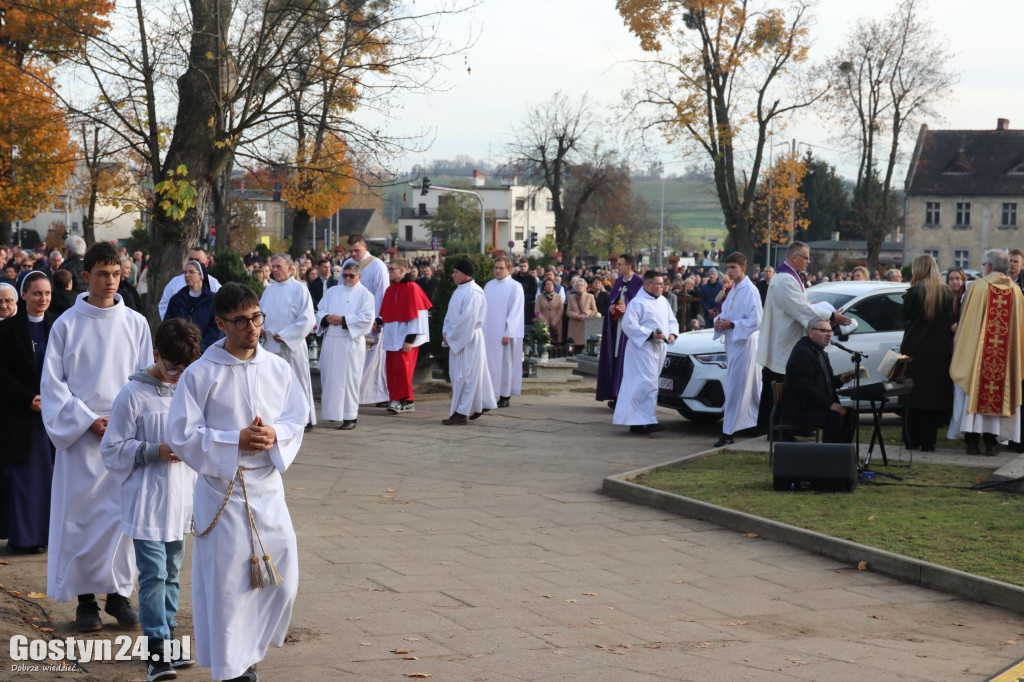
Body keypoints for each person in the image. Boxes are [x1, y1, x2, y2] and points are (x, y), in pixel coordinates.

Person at [167, 283, 308, 682]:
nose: (252, 327)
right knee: (230, 589)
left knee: (285, 580)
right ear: (221, 323)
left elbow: (297, 418)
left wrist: (275, 435)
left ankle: (252, 649)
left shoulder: (277, 367)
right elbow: (181, 435)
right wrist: (236, 439)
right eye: (242, 320)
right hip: (222, 492)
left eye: (257, 317)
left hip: (266, 488)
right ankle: (236, 667)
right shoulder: (201, 373)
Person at [41, 241, 152, 632]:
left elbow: (146, 381)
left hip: (121, 437)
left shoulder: (136, 324)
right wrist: (87, 420)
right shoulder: (66, 325)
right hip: (82, 439)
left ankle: (119, 596)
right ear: (86, 276)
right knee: (81, 518)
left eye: (116, 274)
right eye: (102, 274)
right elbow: (53, 386)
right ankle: (86, 601)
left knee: (122, 519)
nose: (110, 281)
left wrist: (124, 421)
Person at [99, 319, 202, 679]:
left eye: (185, 369)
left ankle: (170, 639)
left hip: (182, 497)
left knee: (173, 573)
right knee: (154, 574)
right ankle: (156, 652)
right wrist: (153, 451)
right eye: (172, 368)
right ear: (156, 354)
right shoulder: (133, 393)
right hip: (146, 499)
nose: (177, 376)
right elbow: (111, 448)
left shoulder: (189, 388)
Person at [756, 241, 851, 429]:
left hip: (786, 340)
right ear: (794, 257)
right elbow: (800, 310)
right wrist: (831, 316)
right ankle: (780, 430)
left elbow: (801, 306)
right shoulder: (784, 279)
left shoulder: (790, 277)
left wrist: (818, 308)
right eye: (806, 257)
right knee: (782, 390)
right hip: (784, 342)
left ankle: (787, 428)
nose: (808, 261)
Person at [0, 272, 55, 553]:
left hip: (53, 413)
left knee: (48, 478)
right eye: (36, 293)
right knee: (24, 480)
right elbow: (3, 372)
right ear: (24, 295)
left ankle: (45, 535)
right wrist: (28, 398)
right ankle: (23, 538)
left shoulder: (58, 326)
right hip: (21, 413)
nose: (42, 299)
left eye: (46, 293)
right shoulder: (8, 330)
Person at [949, 250, 1024, 455]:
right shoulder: (1016, 292)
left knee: (973, 395)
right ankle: (992, 444)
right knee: (999, 393)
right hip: (1004, 360)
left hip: (977, 358)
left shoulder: (976, 288)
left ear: (989, 267)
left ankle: (972, 442)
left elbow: (966, 326)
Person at [612, 270, 679, 434]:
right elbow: (629, 325)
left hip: (659, 348)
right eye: (659, 284)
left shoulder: (663, 301)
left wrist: (671, 334)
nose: (663, 287)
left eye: (663, 284)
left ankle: (637, 422)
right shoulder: (638, 302)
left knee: (648, 383)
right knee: (646, 383)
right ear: (648, 285)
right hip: (642, 349)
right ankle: (648, 421)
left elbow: (671, 320)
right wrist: (650, 334)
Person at [899, 254, 954, 452]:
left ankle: (911, 440)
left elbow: (904, 315)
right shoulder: (947, 292)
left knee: (912, 395)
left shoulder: (914, 291)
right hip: (939, 351)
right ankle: (928, 442)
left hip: (914, 349)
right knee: (933, 397)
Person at [315, 262, 375, 430]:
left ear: (359, 276)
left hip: (350, 342)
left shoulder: (365, 295)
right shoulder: (333, 291)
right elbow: (320, 310)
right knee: (330, 378)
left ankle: (350, 417)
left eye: (351, 276)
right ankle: (333, 414)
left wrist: (343, 320)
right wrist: (326, 318)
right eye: (345, 275)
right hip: (332, 340)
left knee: (349, 380)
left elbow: (367, 319)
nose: (347, 279)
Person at [260, 253, 316, 430]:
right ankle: (278, 417)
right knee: (274, 383)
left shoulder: (300, 289)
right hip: (270, 344)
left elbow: (307, 319)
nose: (275, 270)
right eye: (273, 267)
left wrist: (285, 335)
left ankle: (304, 418)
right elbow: (260, 314)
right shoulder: (269, 290)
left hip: (292, 345)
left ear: (291, 268)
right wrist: (259, 329)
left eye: (279, 267)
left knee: (297, 381)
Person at [712, 253, 763, 447]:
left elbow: (757, 320)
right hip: (732, 343)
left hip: (744, 344)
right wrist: (719, 322)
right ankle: (758, 423)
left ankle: (728, 432)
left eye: (733, 267)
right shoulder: (733, 290)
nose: (729, 271)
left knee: (735, 387)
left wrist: (732, 325)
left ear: (743, 268)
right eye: (728, 267)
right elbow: (725, 314)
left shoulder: (750, 290)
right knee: (749, 387)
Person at [779, 321, 856, 443]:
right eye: (824, 331)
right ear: (811, 332)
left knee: (851, 413)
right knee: (835, 415)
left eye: (830, 331)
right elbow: (805, 387)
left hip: (816, 406)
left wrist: (841, 379)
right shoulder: (803, 353)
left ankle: (843, 456)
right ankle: (830, 456)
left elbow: (827, 382)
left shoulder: (820, 352)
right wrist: (830, 404)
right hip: (802, 410)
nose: (829, 334)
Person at [442, 259, 496, 425]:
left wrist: (451, 337)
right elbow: (452, 316)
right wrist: (446, 334)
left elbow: (468, 321)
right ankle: (483, 404)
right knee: (469, 375)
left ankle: (460, 413)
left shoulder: (473, 293)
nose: (452, 275)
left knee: (465, 376)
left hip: (468, 339)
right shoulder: (461, 289)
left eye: (456, 272)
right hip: (459, 337)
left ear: (466, 274)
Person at [378, 258, 431, 414]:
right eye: (389, 269)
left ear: (402, 270)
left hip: (405, 340)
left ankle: (407, 401)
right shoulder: (391, 289)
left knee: (404, 371)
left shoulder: (413, 288)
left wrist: (410, 340)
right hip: (392, 338)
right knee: (393, 371)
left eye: (392, 269)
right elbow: (386, 312)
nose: (389, 272)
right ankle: (395, 399)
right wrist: (378, 322)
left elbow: (419, 317)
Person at [342, 234, 390, 406]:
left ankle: (379, 396)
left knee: (374, 359)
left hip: (371, 320)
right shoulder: (347, 265)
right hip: (352, 319)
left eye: (357, 250)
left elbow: (382, 292)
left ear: (365, 247)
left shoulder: (377, 265)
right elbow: (343, 290)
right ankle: (356, 393)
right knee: (356, 357)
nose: (353, 254)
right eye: (351, 251)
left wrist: (378, 318)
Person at [596, 254, 644, 407]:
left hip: (630, 332)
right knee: (616, 360)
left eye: (621, 264)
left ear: (629, 266)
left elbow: (642, 306)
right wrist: (610, 307)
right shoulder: (618, 282)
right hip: (617, 328)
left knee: (627, 362)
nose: (618, 266)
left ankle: (626, 397)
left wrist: (628, 308)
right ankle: (616, 395)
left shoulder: (640, 283)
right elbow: (613, 299)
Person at [483, 256, 525, 408]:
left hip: (504, 333)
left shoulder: (515, 286)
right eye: (496, 267)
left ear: (508, 269)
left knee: (505, 363)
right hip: (488, 331)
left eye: (501, 268)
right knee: (489, 363)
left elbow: (516, 312)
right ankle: (490, 393)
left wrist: (509, 332)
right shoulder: (488, 286)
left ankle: (504, 395)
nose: (498, 271)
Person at [165, 260, 223, 351]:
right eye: (185, 272)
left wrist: (199, 349)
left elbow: (216, 329)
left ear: (201, 276)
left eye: (191, 272)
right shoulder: (176, 300)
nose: (187, 275)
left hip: (205, 353)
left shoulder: (213, 300)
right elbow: (168, 326)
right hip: (179, 352)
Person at [158, 247, 221, 318]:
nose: (194, 262)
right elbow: (164, 305)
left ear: (206, 263)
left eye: (197, 260)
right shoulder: (175, 282)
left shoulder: (213, 283)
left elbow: (219, 307)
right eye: (191, 259)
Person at [566, 277, 598, 352]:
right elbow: (568, 312)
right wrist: (576, 315)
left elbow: (594, 310)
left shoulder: (590, 296)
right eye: (577, 285)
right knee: (573, 348)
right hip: (574, 325)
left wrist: (587, 313)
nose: (579, 287)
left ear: (585, 287)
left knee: (584, 346)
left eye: (581, 285)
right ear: (574, 287)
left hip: (585, 324)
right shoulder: (571, 297)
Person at [534, 279, 563, 344]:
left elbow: (560, 310)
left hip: (556, 324)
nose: (549, 286)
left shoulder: (559, 297)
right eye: (547, 284)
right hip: (543, 325)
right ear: (544, 287)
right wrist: (545, 322)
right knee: (544, 345)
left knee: (556, 344)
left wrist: (554, 322)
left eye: (551, 284)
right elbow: (537, 311)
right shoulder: (540, 297)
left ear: (554, 287)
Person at [512, 259, 538, 329]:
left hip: (528, 306)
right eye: (521, 266)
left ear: (527, 266)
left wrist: (522, 297)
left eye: (524, 266)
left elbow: (534, 293)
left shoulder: (532, 279)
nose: (523, 268)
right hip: (515, 305)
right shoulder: (514, 277)